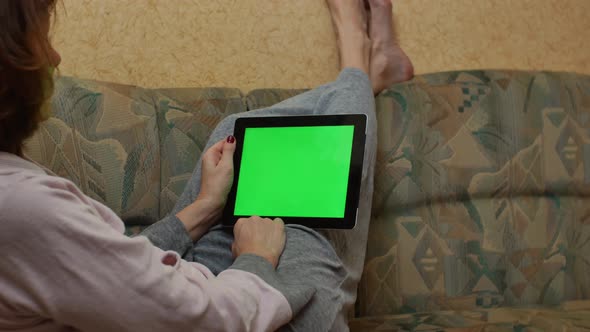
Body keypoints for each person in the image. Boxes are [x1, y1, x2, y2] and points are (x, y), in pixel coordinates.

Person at [0, 0, 412, 331]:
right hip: (218, 311)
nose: (54, 56)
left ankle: (361, 74)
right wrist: (256, 257)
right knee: (308, 214)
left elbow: (105, 274)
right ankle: (357, 58)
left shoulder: (18, 197)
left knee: (236, 130)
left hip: (192, 292)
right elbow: (210, 320)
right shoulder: (21, 207)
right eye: (38, 40)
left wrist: (201, 209)